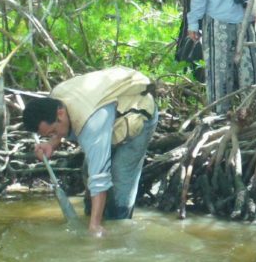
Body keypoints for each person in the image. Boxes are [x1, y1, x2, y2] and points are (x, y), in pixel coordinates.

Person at [22, 67, 158, 235]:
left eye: (53, 132)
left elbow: (99, 178)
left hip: (138, 111)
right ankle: (94, 215)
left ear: (60, 113)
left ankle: (119, 230)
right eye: (48, 135)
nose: (53, 136)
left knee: (120, 178)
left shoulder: (91, 122)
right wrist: (52, 143)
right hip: (110, 112)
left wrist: (94, 228)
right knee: (87, 171)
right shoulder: (56, 99)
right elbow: (60, 128)